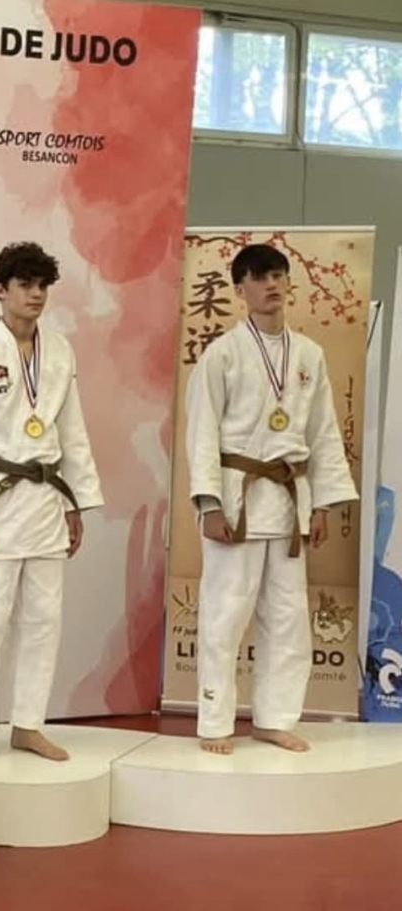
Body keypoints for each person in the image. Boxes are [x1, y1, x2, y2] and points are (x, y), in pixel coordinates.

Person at [185, 243, 357, 755]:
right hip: (237, 502)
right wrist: (209, 504)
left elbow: (323, 432)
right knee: (225, 615)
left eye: (278, 275)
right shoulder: (223, 353)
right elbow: (201, 431)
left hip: (287, 500)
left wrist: (320, 504)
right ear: (240, 289)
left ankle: (274, 718)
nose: (271, 285)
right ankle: (215, 722)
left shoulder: (308, 354)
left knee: (287, 616)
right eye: (260, 277)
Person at [0, 242, 103, 764]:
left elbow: (72, 431)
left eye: (42, 286)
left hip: (47, 499)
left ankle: (29, 724)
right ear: (0, 289)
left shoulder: (60, 351)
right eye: (25, 284)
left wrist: (76, 502)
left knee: (43, 620)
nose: (35, 294)